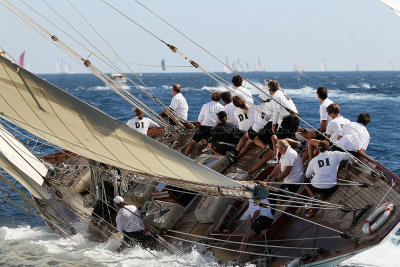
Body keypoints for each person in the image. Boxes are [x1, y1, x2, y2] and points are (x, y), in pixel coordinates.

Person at [304, 142, 355, 213]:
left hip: (317, 188)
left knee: (306, 183)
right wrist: (353, 162)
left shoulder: (313, 160)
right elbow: (348, 156)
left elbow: (307, 175)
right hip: (332, 187)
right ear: (329, 147)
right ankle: (321, 195)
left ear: (319, 150)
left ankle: (314, 197)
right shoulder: (335, 154)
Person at [268, 80, 299, 163]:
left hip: (288, 119)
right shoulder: (284, 94)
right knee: (287, 138)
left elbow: (277, 111)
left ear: (270, 90)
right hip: (295, 118)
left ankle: (276, 158)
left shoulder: (275, 96)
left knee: (278, 139)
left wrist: (274, 124)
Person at [184, 91, 224, 156]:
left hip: (204, 127)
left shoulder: (205, 105)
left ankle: (185, 156)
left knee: (192, 142)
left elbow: (200, 119)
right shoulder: (222, 107)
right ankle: (217, 155)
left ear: (212, 97)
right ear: (220, 99)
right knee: (211, 143)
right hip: (214, 129)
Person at [226, 96, 255, 161]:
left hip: (242, 131)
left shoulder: (236, 112)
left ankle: (236, 152)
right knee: (247, 143)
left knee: (244, 138)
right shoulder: (252, 107)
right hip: (252, 130)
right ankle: (237, 157)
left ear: (235, 105)